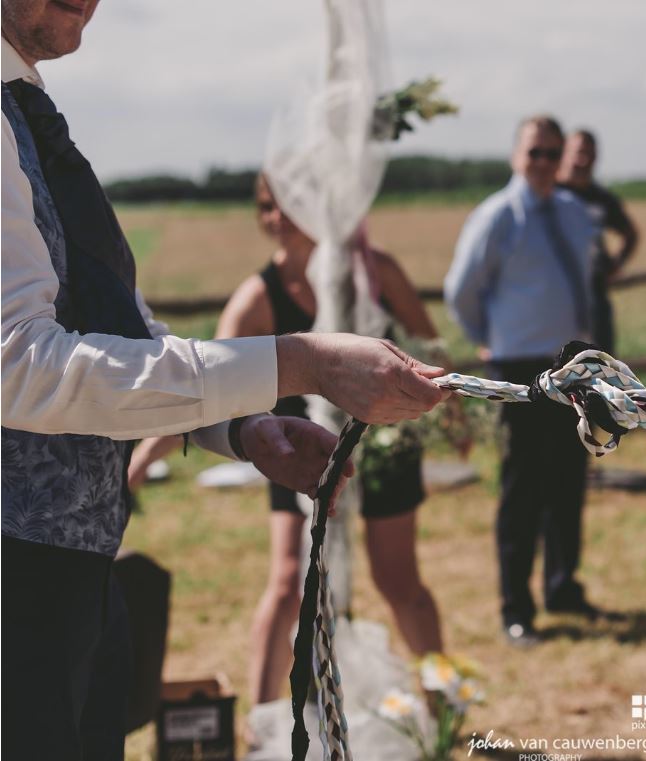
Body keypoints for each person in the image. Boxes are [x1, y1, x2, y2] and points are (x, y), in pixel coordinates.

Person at [0, 5, 444, 759]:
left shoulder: (26, 115)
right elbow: (21, 367)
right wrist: (301, 361)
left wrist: (240, 427)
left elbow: (123, 335)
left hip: (71, 574)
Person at [128, 175, 460, 713]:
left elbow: (428, 347)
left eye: (288, 204)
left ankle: (448, 708)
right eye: (266, 207)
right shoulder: (258, 297)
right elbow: (202, 388)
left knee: (399, 580)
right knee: (287, 581)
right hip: (300, 455)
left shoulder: (376, 273)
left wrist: (457, 415)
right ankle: (261, 725)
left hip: (385, 447)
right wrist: (143, 459)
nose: (277, 218)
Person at [445, 114, 597, 647]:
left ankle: (562, 586)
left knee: (568, 480)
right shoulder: (496, 218)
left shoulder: (576, 213)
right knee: (522, 490)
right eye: (535, 152)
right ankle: (517, 606)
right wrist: (491, 337)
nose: (544, 163)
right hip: (520, 368)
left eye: (553, 153)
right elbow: (461, 292)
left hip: (573, 364)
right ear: (516, 155)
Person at [556, 129, 639, 354]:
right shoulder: (549, 193)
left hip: (595, 294)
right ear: (564, 153)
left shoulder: (601, 198)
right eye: (578, 152)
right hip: (554, 297)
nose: (583, 160)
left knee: (600, 360)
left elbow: (630, 234)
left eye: (589, 154)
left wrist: (614, 265)